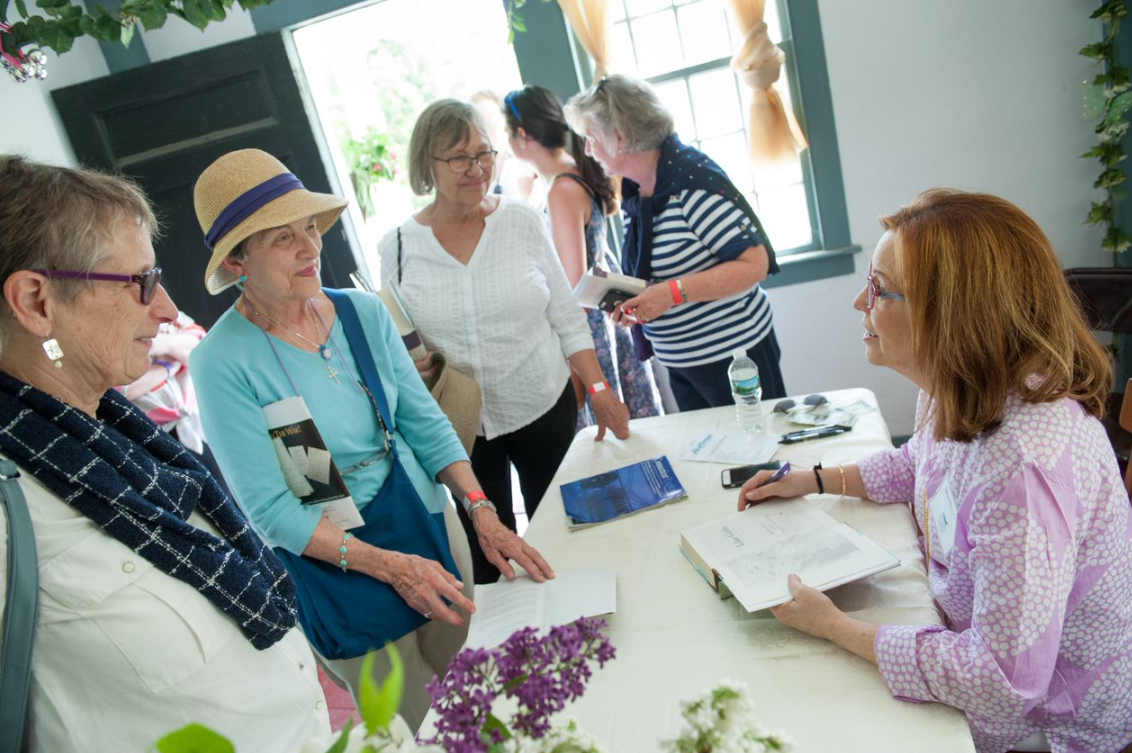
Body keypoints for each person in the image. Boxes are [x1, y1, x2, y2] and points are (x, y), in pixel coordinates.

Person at [738, 189, 1132, 753]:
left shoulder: (1023, 470)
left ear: (952, 316)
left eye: (879, 289)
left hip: (1052, 726)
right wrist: (815, 479)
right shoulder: (960, 386)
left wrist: (835, 627)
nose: (859, 301)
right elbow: (920, 464)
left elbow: (1003, 684)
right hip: (969, 640)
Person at [189, 148, 553, 730]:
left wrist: (481, 511)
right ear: (237, 261)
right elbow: (270, 510)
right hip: (340, 561)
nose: (310, 247)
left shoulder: (362, 313)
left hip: (426, 524)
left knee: (483, 694)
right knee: (420, 726)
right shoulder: (221, 361)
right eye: (283, 238)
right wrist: (390, 568)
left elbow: (424, 423)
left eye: (311, 227)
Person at [0, 155, 330, 751]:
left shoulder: (115, 429)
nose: (169, 310)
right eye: (141, 283)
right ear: (36, 303)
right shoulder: (10, 513)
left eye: (310, 229)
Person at [378, 99, 630, 584]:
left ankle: (586, 620)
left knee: (568, 533)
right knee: (488, 555)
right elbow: (395, 337)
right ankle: (518, 631)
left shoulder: (521, 221)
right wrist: (414, 364)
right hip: (462, 425)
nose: (476, 169)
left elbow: (566, 316)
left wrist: (599, 390)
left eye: (483, 154)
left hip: (541, 402)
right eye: (459, 158)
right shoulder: (399, 247)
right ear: (428, 164)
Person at [564, 74, 787, 410]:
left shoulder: (691, 186)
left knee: (758, 442)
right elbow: (661, 274)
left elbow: (756, 265)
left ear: (619, 136)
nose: (587, 150)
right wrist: (637, 303)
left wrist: (670, 294)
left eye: (590, 138)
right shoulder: (637, 189)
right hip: (682, 360)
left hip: (734, 355)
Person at [503, 84, 663, 429]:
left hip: (588, 328)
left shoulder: (563, 189)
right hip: (602, 316)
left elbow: (573, 287)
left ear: (523, 135)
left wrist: (577, 369)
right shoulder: (570, 174)